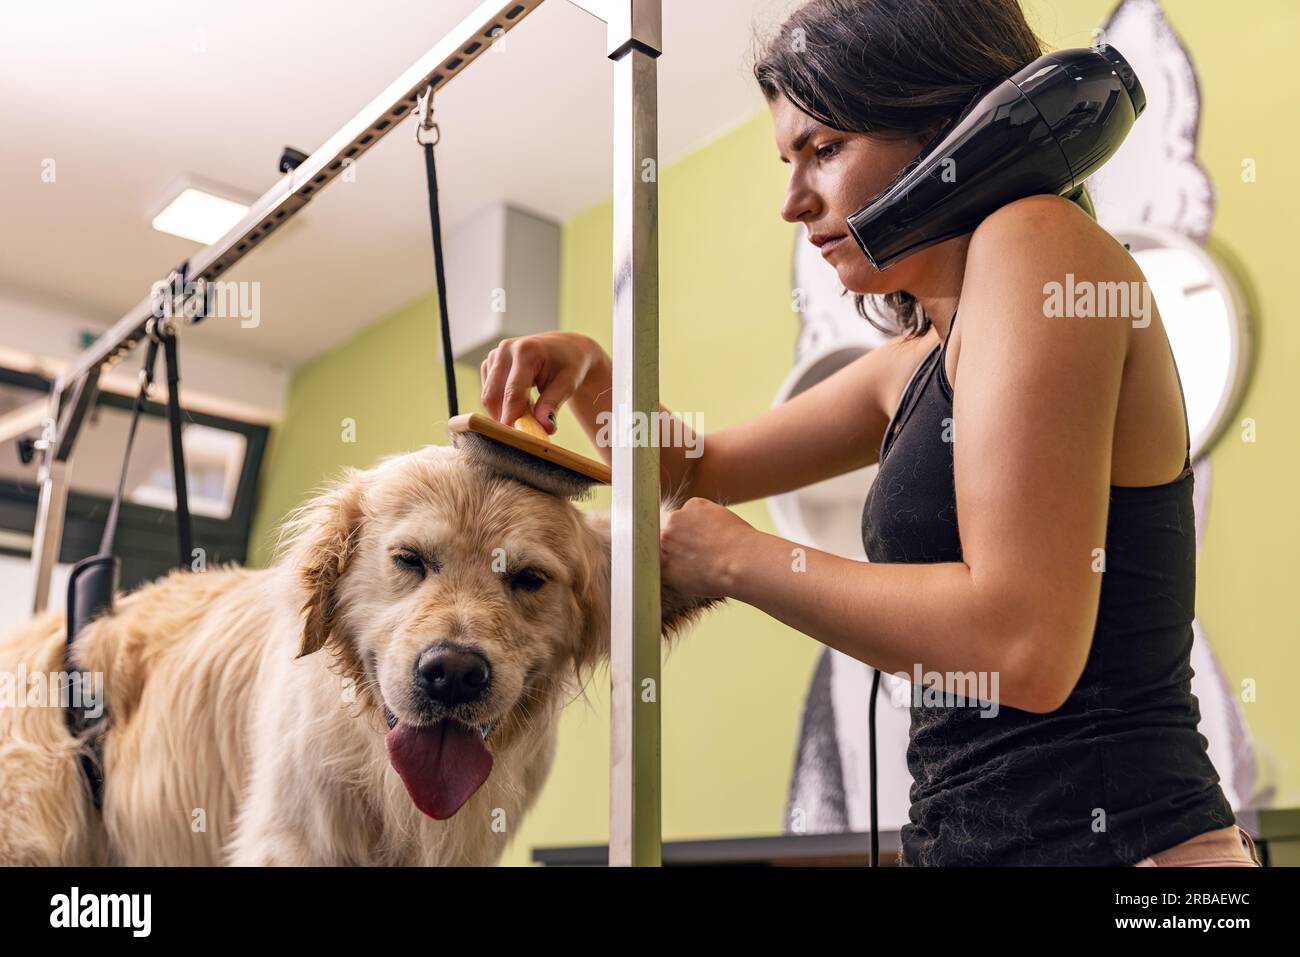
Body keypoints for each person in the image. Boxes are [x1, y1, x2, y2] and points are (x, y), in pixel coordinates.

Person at [476, 0, 1258, 867]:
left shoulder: (1039, 244)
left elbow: (1023, 643)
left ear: (956, 130)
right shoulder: (918, 357)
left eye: (824, 148)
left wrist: (737, 559)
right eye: (788, 158)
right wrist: (594, 373)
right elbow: (696, 469)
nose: (792, 199)